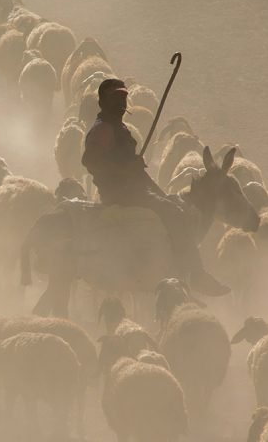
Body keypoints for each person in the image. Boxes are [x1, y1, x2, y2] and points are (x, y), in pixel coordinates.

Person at [81, 78, 229, 296]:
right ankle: (196, 275)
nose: (122, 103)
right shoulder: (103, 129)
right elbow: (90, 161)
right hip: (119, 193)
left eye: (124, 98)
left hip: (133, 190)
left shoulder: (117, 128)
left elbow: (137, 171)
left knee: (173, 205)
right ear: (104, 102)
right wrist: (124, 169)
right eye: (116, 99)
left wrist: (159, 192)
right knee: (176, 214)